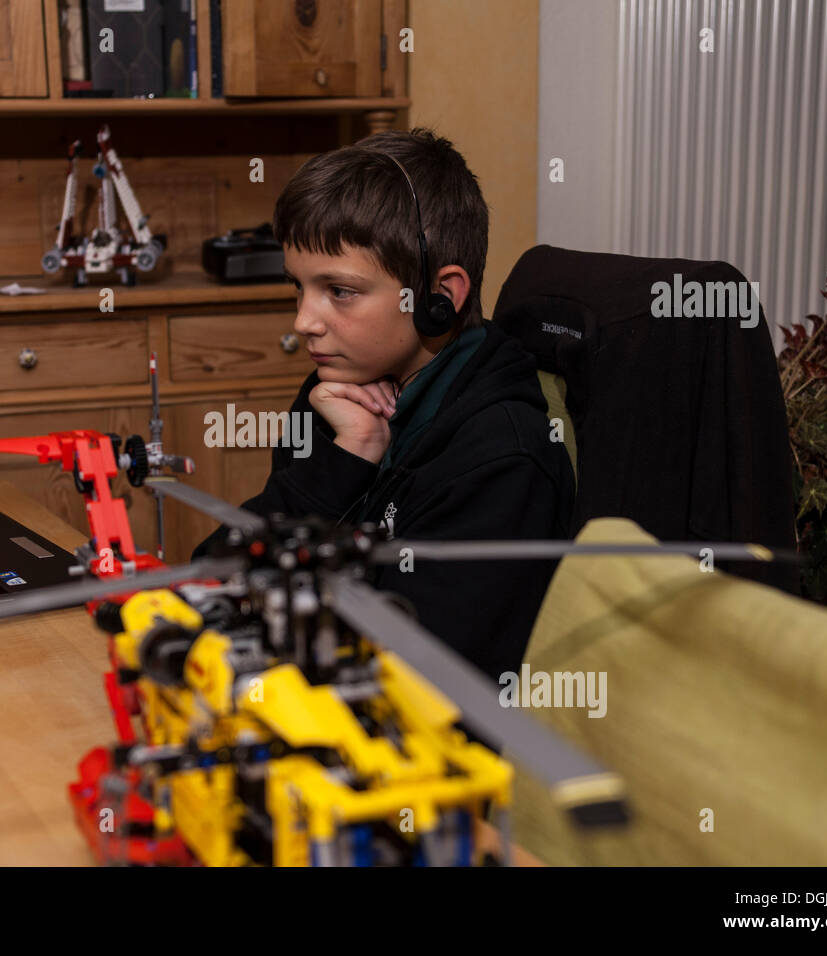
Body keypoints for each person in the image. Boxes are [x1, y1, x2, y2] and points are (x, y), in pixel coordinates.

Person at [191, 128, 575, 682]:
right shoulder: (335, 399)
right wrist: (349, 455)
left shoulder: (501, 460)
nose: (304, 321)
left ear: (439, 297)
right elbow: (215, 577)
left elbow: (418, 675)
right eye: (297, 287)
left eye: (339, 291)